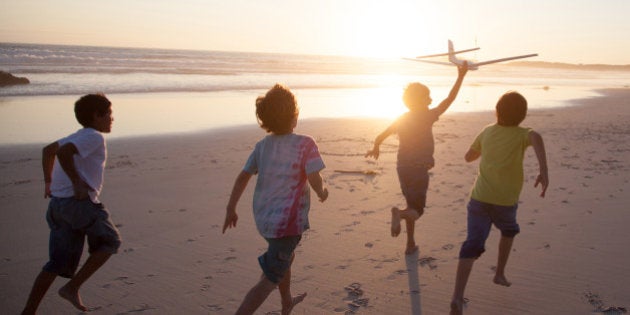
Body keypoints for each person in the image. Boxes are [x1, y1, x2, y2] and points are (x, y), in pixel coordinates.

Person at [222, 84, 329, 315]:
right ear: (295, 115)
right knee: (269, 278)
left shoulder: (262, 146)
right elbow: (314, 176)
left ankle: (286, 302)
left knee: (283, 258)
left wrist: (231, 208)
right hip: (287, 225)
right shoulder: (305, 144)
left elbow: (243, 177)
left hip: (265, 222)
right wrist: (322, 193)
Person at [449, 91, 549, 315]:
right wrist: (543, 170)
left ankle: (457, 296)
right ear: (523, 116)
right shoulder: (522, 134)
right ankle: (499, 273)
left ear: (496, 111)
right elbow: (537, 137)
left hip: (479, 198)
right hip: (504, 202)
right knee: (509, 230)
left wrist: (482, 149)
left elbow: (468, 157)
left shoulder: (486, 131)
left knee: (472, 243)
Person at [22, 94, 122, 314]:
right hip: (78, 205)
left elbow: (48, 150)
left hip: (58, 205)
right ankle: (72, 287)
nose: (112, 119)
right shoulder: (94, 137)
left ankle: (29, 311)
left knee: (56, 264)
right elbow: (62, 152)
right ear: (97, 116)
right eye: (109, 114)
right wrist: (77, 182)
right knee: (110, 242)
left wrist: (49, 182)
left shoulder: (77, 135)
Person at [365, 62, 468, 255]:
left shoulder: (402, 118)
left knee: (411, 203)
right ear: (423, 101)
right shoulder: (428, 116)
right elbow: (450, 99)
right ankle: (399, 214)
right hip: (419, 169)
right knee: (417, 210)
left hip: (402, 167)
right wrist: (461, 76)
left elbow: (380, 136)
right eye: (428, 96)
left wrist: (376, 148)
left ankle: (410, 243)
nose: (431, 99)